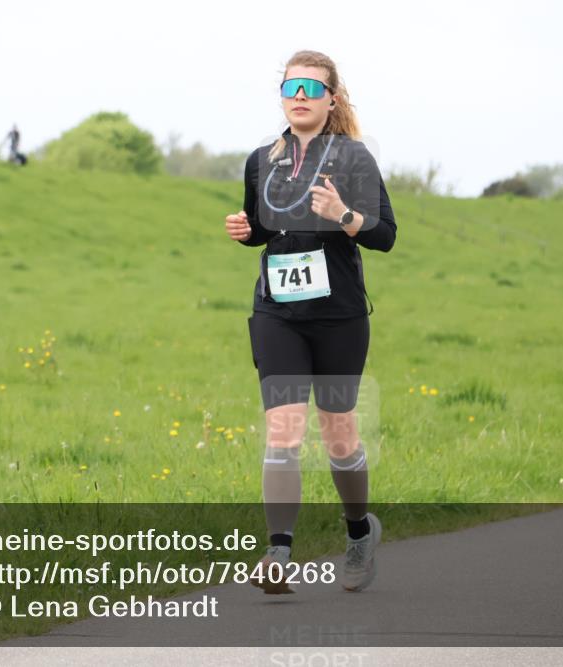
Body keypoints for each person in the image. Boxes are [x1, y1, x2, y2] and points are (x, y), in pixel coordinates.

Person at [224, 50, 396, 594]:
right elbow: (264, 227)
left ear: (332, 98)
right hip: (278, 312)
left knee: (339, 434)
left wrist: (343, 216)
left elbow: (385, 234)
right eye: (291, 87)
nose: (300, 96)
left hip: (339, 315)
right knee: (283, 430)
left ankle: (359, 532)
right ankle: (277, 552)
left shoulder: (355, 159)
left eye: (312, 88)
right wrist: (245, 231)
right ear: (281, 96)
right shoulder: (261, 160)